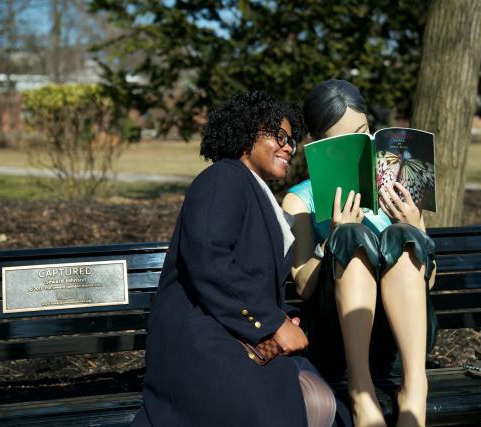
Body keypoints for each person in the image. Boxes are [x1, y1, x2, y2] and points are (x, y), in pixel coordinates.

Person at [132, 90, 339, 427]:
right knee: (299, 405)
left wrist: (286, 317)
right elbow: (209, 261)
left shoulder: (253, 189)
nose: (290, 146)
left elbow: (248, 275)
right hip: (202, 344)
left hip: (234, 335)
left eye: (293, 140)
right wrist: (273, 323)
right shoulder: (223, 178)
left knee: (320, 400)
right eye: (280, 136)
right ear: (246, 133)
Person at [282, 80, 437, 427]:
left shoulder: (398, 184)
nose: (362, 144)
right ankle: (361, 391)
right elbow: (305, 286)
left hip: (402, 340)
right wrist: (332, 238)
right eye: (344, 141)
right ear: (320, 145)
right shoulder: (300, 200)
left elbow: (428, 282)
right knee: (352, 236)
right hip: (339, 339)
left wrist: (415, 225)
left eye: (364, 132)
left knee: (401, 236)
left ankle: (415, 387)